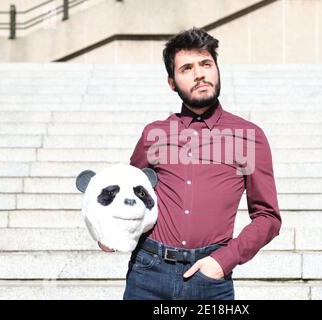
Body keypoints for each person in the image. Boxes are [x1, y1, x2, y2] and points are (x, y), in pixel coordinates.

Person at [100, 27, 281, 300]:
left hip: (210, 277)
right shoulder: (153, 134)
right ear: (172, 82)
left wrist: (223, 261)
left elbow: (268, 217)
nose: (199, 74)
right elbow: (130, 193)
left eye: (206, 64)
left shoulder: (248, 137)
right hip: (148, 271)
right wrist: (111, 230)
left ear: (217, 69)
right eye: (186, 68)